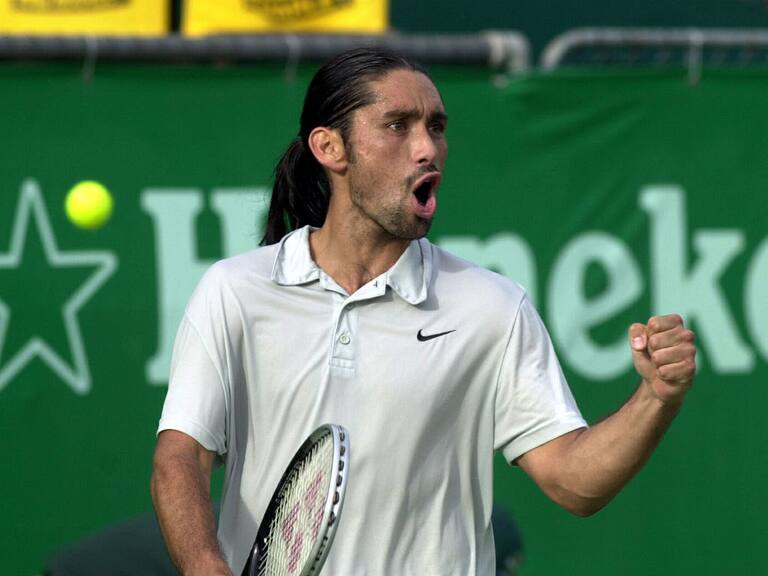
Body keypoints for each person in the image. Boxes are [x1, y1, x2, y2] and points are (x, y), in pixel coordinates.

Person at [151, 48, 696, 576]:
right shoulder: (235, 290)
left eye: (436, 127)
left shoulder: (490, 307)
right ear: (330, 148)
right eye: (398, 126)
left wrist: (656, 397)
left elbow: (574, 484)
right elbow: (181, 458)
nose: (427, 148)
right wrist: (206, 568)